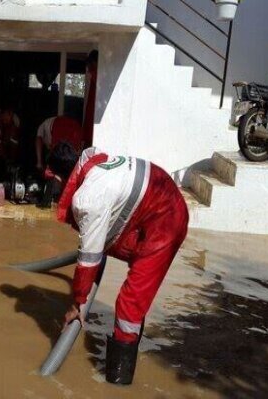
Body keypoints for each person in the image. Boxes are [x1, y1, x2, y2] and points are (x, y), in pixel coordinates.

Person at [48, 142, 189, 385]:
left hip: (166, 219)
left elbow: (89, 260)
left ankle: (119, 381)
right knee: (128, 280)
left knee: (129, 304)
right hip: (156, 202)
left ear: (61, 178)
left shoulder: (89, 198)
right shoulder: (90, 162)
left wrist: (77, 303)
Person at [35, 116, 83, 208]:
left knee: (52, 170)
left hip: (58, 126)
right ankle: (70, 199)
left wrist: (39, 162)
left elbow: (38, 141)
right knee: (72, 166)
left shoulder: (41, 129)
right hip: (76, 128)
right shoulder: (48, 125)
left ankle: (47, 201)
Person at [83, 50, 98, 147]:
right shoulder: (95, 76)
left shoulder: (98, 75)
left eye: (90, 66)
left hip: (95, 122)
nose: (88, 70)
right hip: (91, 121)